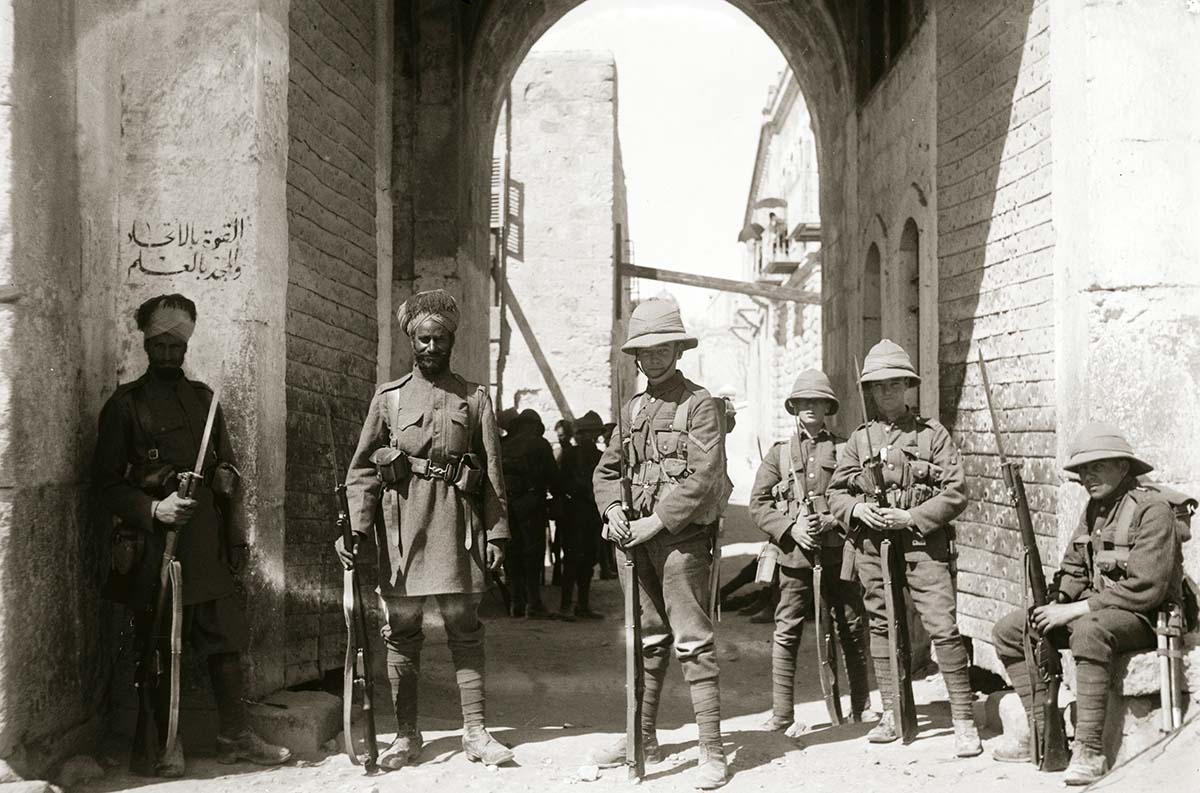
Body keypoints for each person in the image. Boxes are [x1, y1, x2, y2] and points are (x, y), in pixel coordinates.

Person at [93, 294, 291, 777]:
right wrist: (153, 507)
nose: (165, 354)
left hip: (204, 546)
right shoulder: (125, 405)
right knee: (159, 647)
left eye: (174, 345)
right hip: (153, 549)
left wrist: (232, 518)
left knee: (224, 641)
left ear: (186, 345)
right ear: (145, 343)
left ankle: (235, 737)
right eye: (157, 344)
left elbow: (229, 473)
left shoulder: (206, 401)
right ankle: (165, 744)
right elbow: (103, 484)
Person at [338, 289, 513, 770]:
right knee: (404, 631)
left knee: (464, 628)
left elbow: (493, 475)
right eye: (423, 339)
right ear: (411, 342)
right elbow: (362, 472)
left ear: (451, 341)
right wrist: (355, 528)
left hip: (458, 527)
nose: (431, 347)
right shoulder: (388, 399)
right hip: (403, 531)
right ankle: (406, 734)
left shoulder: (474, 397)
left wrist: (497, 534)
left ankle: (476, 733)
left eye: (439, 339)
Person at [990, 423, 1184, 785]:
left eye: (1097, 466)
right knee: (1010, 630)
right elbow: (1075, 567)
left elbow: (1147, 588)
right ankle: (1041, 731)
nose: (1086, 476)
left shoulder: (1152, 510)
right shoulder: (1096, 508)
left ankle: (1089, 750)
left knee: (1088, 632)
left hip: (1142, 618)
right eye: (1082, 469)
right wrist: (1057, 599)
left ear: (1123, 468)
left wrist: (1074, 610)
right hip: (1099, 613)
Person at [591, 298, 731, 789]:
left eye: (661, 349)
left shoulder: (701, 405)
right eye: (644, 351)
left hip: (682, 542)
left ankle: (712, 752)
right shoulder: (632, 410)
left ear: (677, 349)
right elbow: (608, 471)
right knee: (647, 641)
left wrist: (656, 522)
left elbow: (704, 478)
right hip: (635, 545)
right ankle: (641, 737)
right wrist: (612, 511)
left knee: (692, 641)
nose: (652, 358)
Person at [826, 339, 981, 756]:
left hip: (923, 544)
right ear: (871, 392)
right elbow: (835, 494)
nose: (886, 393)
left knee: (941, 625)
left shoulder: (933, 436)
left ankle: (964, 720)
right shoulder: (858, 440)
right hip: (874, 548)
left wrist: (911, 517)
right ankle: (891, 712)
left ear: (908, 387)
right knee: (881, 624)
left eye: (894, 384)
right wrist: (858, 510)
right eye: (878, 386)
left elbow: (956, 493)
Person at [749, 369, 870, 732]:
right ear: (794, 407)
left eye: (817, 401)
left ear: (827, 407)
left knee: (850, 624)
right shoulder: (779, 454)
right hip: (794, 556)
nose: (811, 408)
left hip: (837, 553)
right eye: (804, 402)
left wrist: (835, 522)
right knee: (787, 629)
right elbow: (758, 504)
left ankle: (861, 708)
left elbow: (861, 494)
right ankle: (783, 713)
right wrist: (791, 529)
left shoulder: (846, 447)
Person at [499, 408, 563, 619]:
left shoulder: (503, 444)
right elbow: (553, 477)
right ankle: (534, 603)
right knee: (533, 555)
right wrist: (558, 497)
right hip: (531, 506)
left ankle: (516, 603)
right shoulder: (539, 444)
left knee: (511, 554)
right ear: (535, 426)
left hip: (507, 507)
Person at [555, 410, 608, 620]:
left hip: (592, 516)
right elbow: (560, 482)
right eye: (583, 434)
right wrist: (578, 490)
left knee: (589, 561)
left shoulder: (600, 457)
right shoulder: (568, 455)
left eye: (590, 434)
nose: (586, 437)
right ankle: (565, 606)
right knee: (571, 560)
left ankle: (583, 605)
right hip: (573, 514)